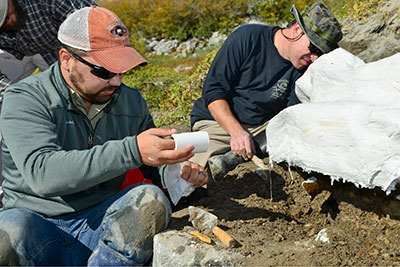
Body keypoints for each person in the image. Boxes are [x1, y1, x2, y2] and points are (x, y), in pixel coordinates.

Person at [0, 6, 208, 266]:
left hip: (100, 223)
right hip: (36, 228)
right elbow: (43, 174)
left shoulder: (131, 102)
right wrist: (133, 150)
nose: (116, 81)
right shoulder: (25, 98)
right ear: (66, 59)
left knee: (151, 201)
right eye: (105, 71)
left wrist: (176, 173)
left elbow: (147, 166)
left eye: (122, 70)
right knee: (7, 232)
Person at [190, 1, 343, 177]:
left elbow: (292, 114)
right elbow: (213, 91)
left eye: (321, 53)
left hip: (264, 127)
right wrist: (237, 132)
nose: (315, 57)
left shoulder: (304, 68)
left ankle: (237, 158)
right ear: (297, 30)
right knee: (192, 175)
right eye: (314, 47)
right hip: (218, 124)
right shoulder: (247, 38)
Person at [0, 0, 97, 207]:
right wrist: (19, 100)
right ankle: (7, 187)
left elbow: (93, 22)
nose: (7, 21)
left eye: (5, 13)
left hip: (59, 51)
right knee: (12, 108)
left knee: (78, 101)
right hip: (13, 55)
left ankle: (78, 163)